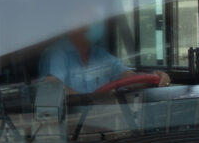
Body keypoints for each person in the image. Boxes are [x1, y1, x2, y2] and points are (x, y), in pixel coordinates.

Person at [40, 16, 170, 94]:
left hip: (104, 122)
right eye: (86, 18)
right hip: (70, 125)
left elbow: (127, 77)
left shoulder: (101, 54)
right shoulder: (57, 54)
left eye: (94, 18)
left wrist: (153, 78)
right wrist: (92, 104)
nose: (92, 23)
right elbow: (53, 88)